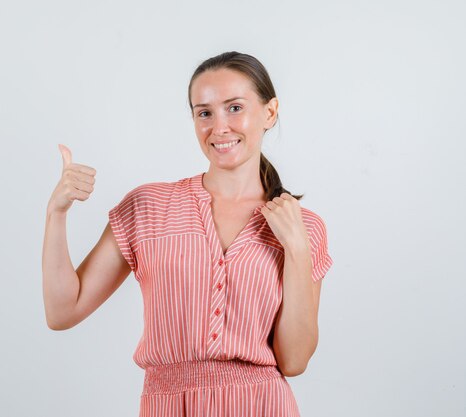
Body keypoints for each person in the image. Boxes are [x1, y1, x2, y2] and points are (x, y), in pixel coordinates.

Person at [42, 51, 334, 417]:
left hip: (263, 405)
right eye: (204, 112)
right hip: (168, 405)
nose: (219, 127)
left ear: (270, 113)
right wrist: (57, 212)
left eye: (235, 107)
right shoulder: (148, 207)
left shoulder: (304, 227)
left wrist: (297, 249)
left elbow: (293, 360)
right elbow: (62, 311)